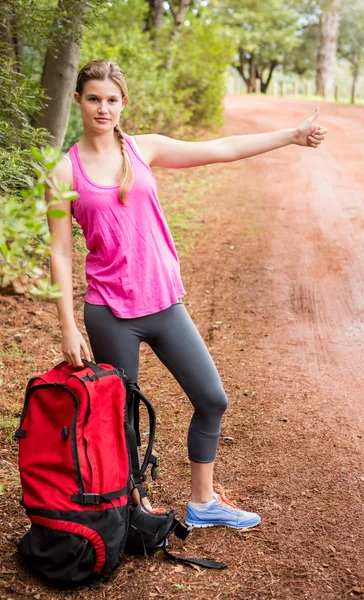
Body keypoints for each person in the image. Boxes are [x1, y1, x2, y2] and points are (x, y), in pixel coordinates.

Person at [47, 59, 327, 530]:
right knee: (122, 416)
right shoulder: (62, 172)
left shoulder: (142, 149)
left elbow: (221, 147)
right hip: (109, 311)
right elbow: (59, 253)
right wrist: (68, 325)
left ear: (123, 103)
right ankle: (134, 506)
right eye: (93, 98)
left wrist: (291, 135)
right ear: (78, 100)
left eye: (112, 99)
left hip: (164, 301)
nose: (103, 108)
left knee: (212, 398)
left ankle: (203, 502)